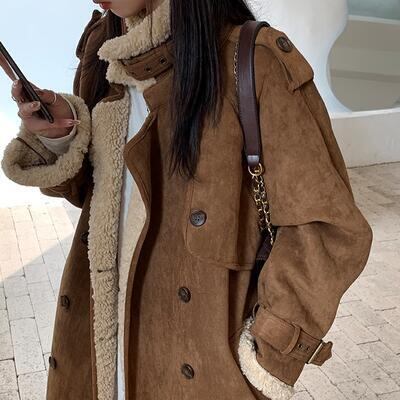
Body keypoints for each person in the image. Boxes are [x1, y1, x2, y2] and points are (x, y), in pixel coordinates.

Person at [1, 0, 373, 399]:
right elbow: (96, 200)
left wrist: (267, 358)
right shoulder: (105, 56)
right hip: (99, 361)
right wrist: (63, 135)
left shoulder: (254, 61)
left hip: (200, 371)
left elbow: (326, 229)